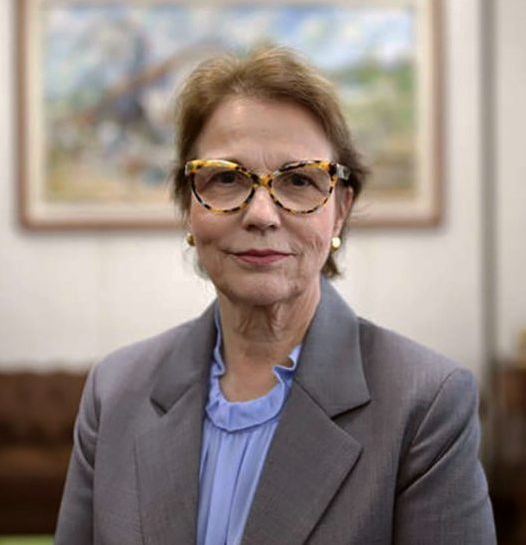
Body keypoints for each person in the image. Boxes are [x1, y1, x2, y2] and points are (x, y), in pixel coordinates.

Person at [55, 46, 496, 545]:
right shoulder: (115, 392)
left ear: (340, 210)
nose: (262, 214)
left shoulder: (425, 404)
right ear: (187, 205)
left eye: (299, 180)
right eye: (226, 178)